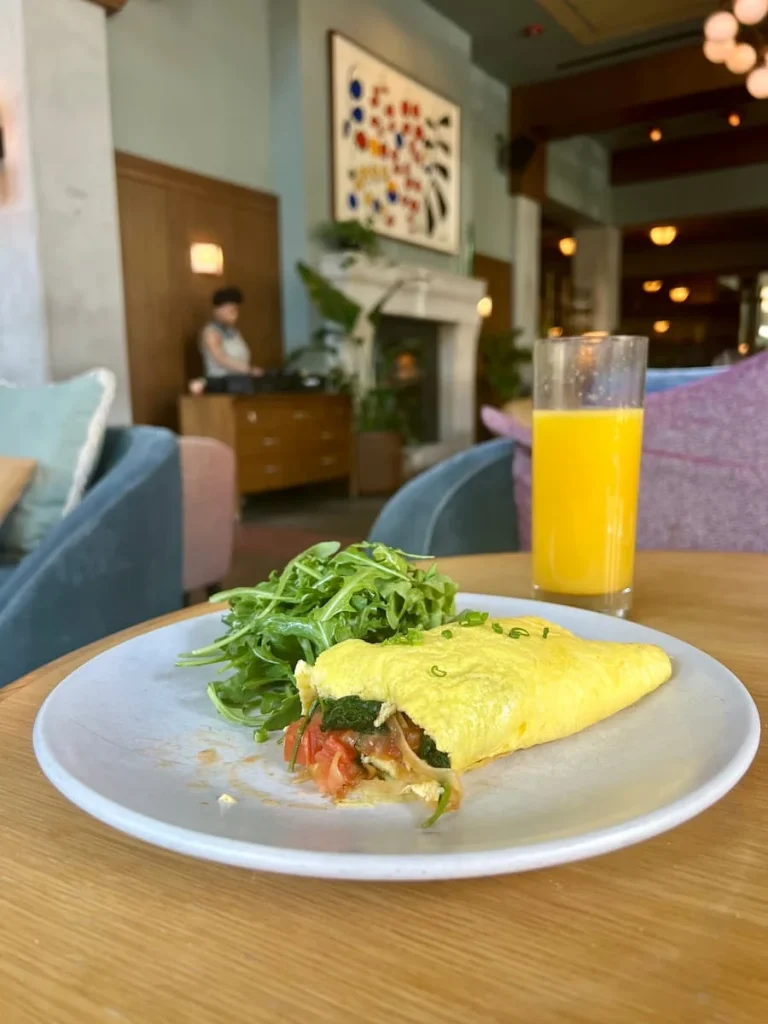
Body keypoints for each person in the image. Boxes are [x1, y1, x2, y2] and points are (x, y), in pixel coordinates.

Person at [200, 287, 264, 380]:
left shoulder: (234, 332)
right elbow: (220, 358)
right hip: (221, 381)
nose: (234, 314)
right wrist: (249, 370)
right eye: (231, 310)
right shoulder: (210, 332)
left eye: (236, 310)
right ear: (218, 310)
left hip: (240, 379)